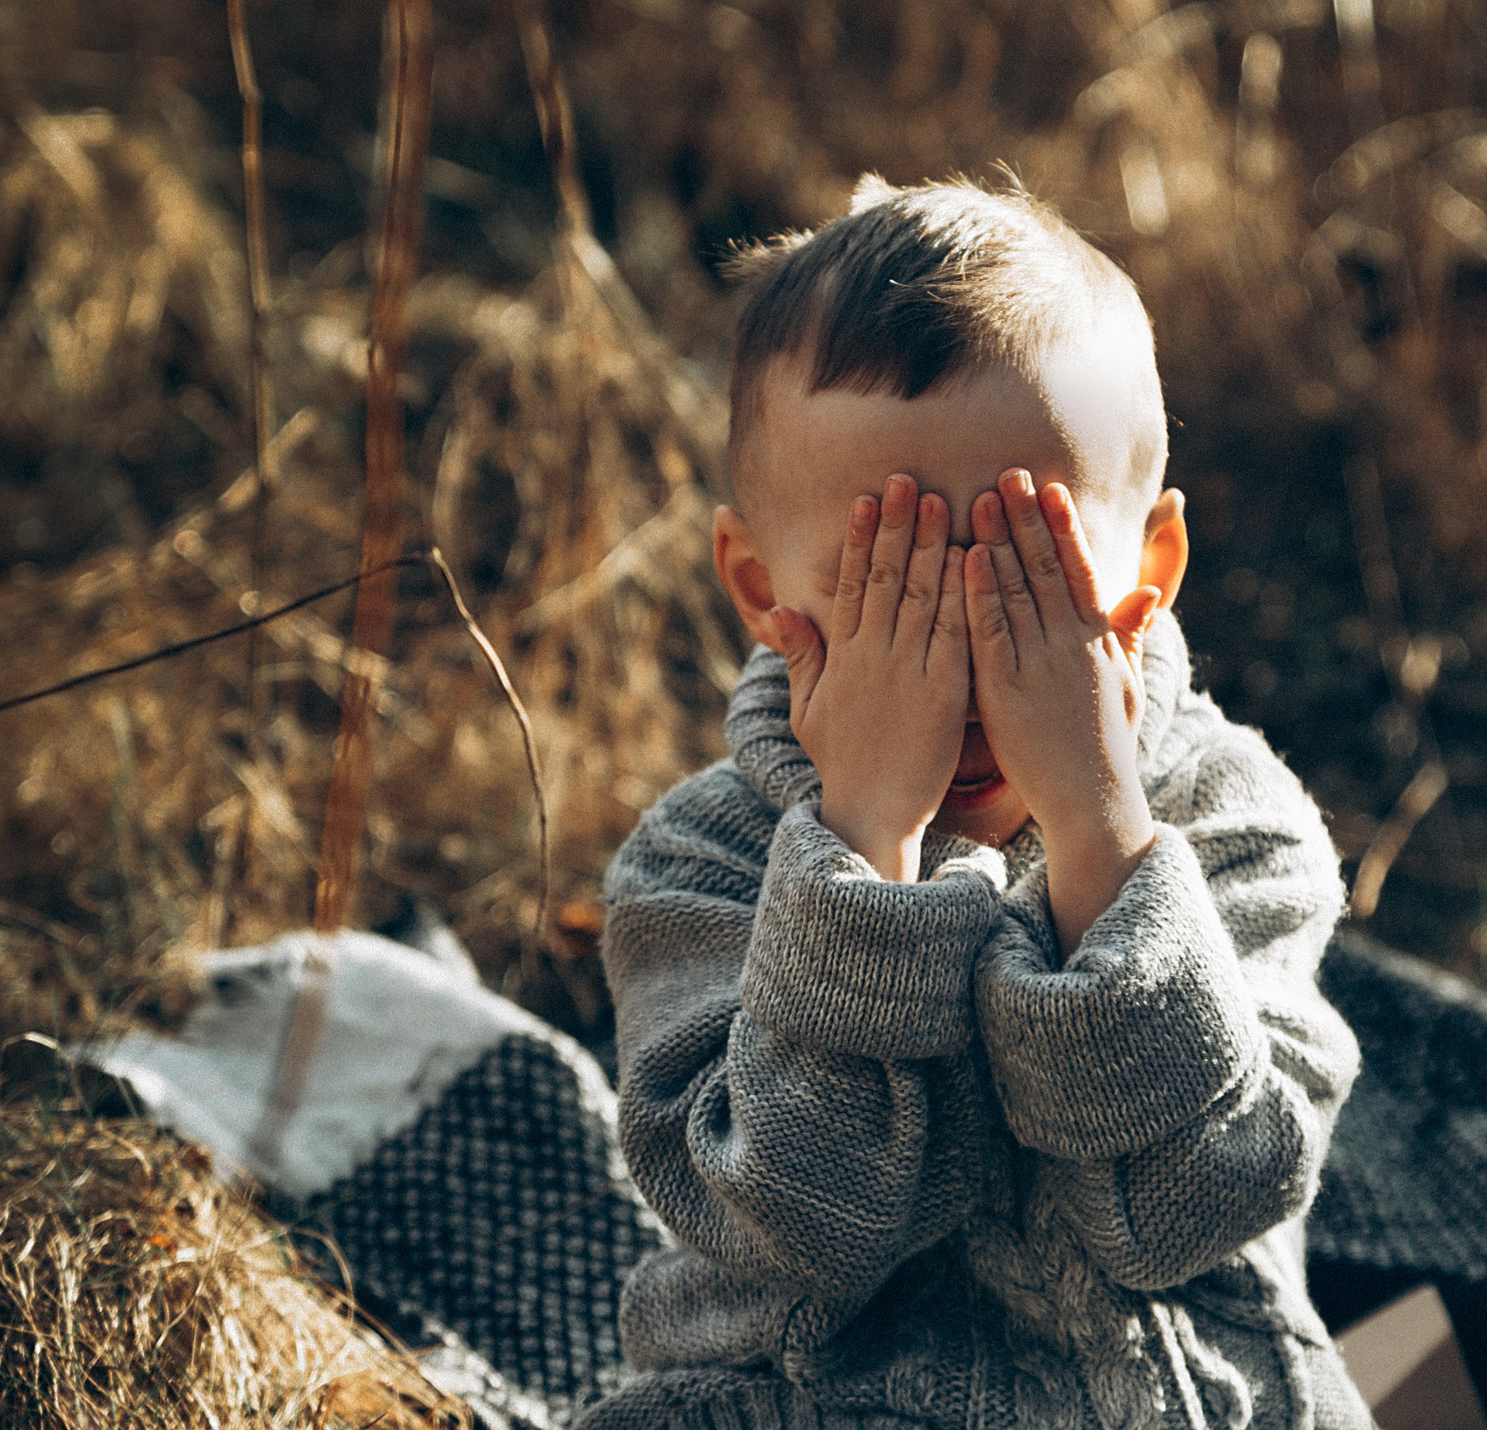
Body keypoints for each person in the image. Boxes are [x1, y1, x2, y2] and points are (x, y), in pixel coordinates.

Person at [577, 176, 1371, 1430]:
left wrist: (1105, 837)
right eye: (886, 588)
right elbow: (786, 1222)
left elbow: (1197, 1210)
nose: (954, 668)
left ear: (1149, 571)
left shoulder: (1234, 821)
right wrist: (858, 854)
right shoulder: (702, 863)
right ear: (755, 581)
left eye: (1022, 576)